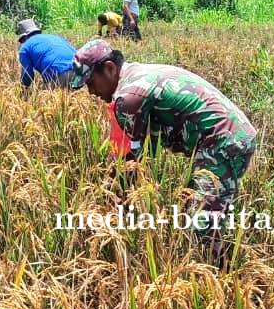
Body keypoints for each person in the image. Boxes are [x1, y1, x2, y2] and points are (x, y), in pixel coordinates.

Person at [69, 39, 257, 255]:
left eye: (91, 83)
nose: (91, 92)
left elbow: (132, 164)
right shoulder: (136, 74)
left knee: (201, 229)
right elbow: (143, 152)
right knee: (192, 212)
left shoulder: (129, 97)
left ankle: (221, 281)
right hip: (225, 138)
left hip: (223, 143)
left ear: (110, 68)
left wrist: (111, 207)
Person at [16, 18, 77, 88]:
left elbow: (27, 78)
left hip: (62, 74)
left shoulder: (25, 48)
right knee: (73, 89)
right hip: (82, 72)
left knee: (39, 95)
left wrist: (21, 91)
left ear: (24, 37)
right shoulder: (54, 37)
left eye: (22, 41)